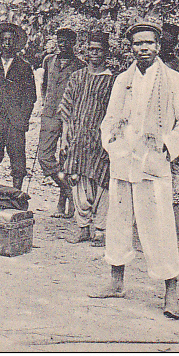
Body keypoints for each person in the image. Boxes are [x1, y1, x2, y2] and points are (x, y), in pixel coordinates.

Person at [91, 20, 179, 321]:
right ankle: (116, 282)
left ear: (158, 46)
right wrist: (111, 143)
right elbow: (110, 118)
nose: (143, 48)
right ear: (131, 48)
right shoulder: (123, 80)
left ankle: (171, 293)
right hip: (123, 160)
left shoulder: (174, 80)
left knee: (159, 227)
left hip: (152, 161)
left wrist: (166, 146)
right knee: (119, 221)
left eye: (148, 43)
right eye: (138, 44)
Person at [58, 32, 116, 246]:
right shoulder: (77, 77)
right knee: (78, 182)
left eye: (98, 50)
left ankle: (100, 230)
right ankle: (83, 227)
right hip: (77, 139)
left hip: (101, 142)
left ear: (106, 52)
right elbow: (66, 109)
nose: (94, 53)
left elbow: (117, 113)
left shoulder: (112, 82)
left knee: (102, 184)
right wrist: (65, 138)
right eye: (91, 49)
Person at [0, 22, 36, 190]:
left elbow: (30, 97)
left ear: (16, 42)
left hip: (15, 123)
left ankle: (17, 196)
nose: (7, 43)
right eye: (4, 40)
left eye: (10, 40)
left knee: (18, 163)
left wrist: (21, 118)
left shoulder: (24, 67)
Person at [39, 27, 84, 217]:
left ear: (74, 43)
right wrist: (46, 103)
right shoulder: (49, 61)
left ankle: (62, 206)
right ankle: (69, 191)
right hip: (49, 115)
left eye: (66, 40)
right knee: (45, 157)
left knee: (66, 162)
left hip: (70, 118)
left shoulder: (81, 65)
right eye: (60, 40)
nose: (62, 44)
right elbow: (44, 85)